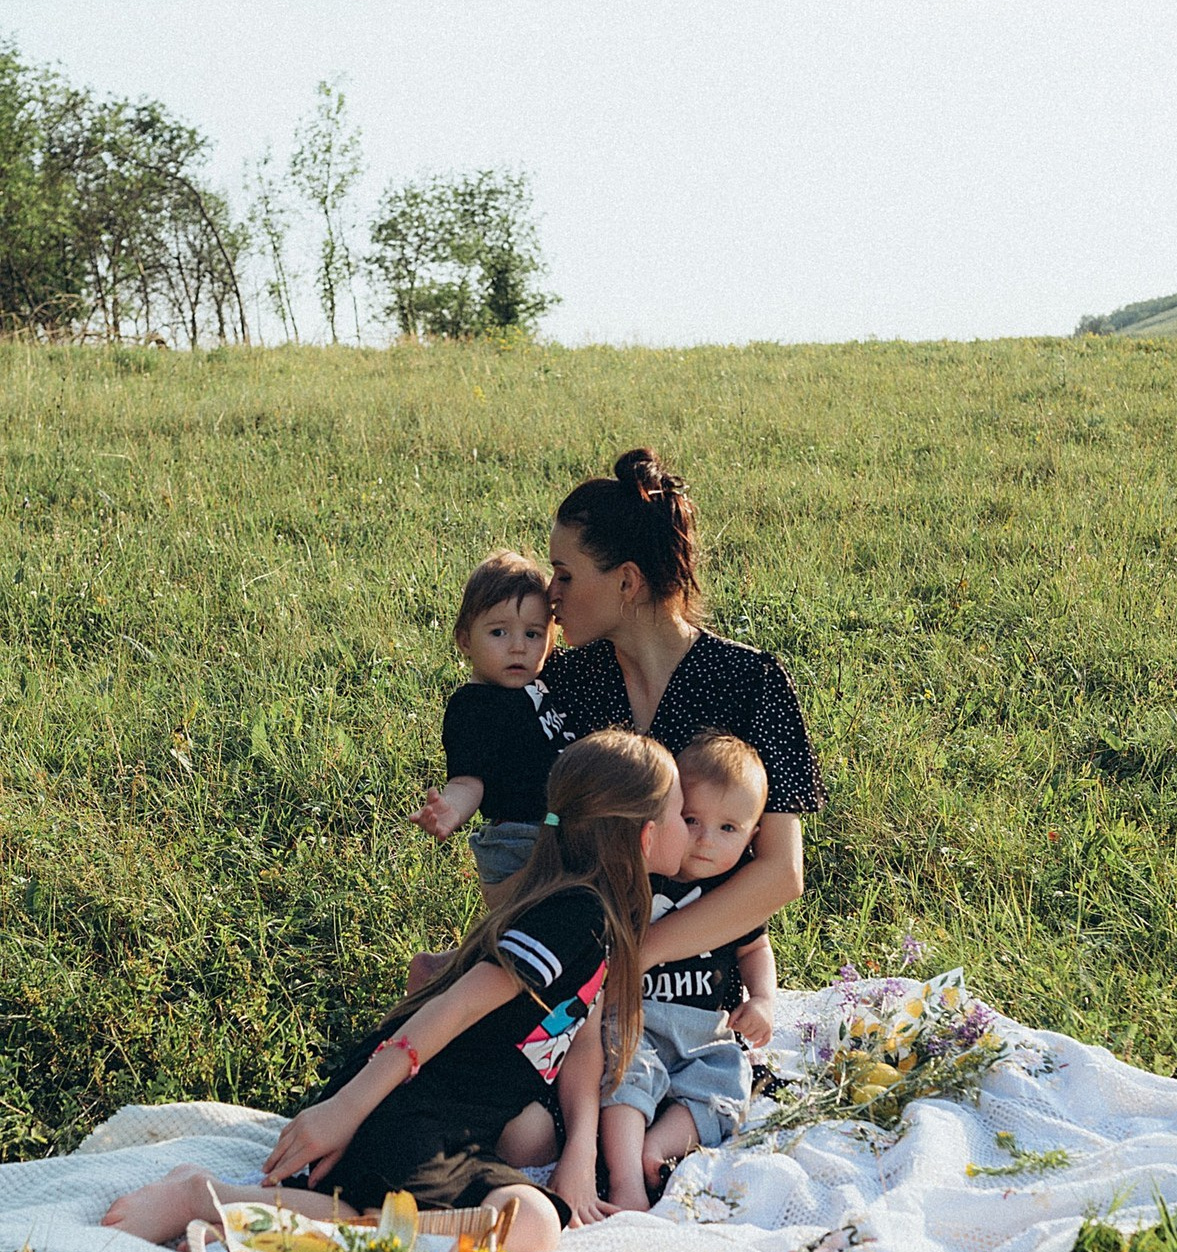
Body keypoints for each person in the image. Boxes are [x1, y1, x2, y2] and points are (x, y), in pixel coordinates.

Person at [100, 731, 690, 1252]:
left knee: (392, 1213)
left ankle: (208, 1202)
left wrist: (579, 1161)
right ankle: (212, 1206)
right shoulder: (573, 916)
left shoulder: (599, 920)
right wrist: (345, 1110)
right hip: (403, 1107)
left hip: (442, 1122)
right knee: (530, 1223)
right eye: (684, 816)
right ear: (645, 837)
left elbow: (580, 1039)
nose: (692, 833)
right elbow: (456, 1003)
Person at [542, 448, 825, 975]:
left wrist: (639, 955)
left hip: (698, 972)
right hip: (574, 952)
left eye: (564, 575)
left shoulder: (752, 683)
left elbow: (781, 873)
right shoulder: (562, 682)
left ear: (627, 582)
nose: (549, 593)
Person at [601, 732, 776, 1210]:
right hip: (639, 1018)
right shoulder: (642, 871)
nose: (704, 841)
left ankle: (657, 1148)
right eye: (692, 819)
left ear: (754, 835)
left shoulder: (735, 887)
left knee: (725, 1082)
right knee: (623, 1072)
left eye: (728, 829)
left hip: (707, 1031)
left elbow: (755, 950)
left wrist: (762, 1000)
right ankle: (625, 1182)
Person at [409, 551, 575, 901]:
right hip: (519, 838)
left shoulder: (550, 676)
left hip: (563, 826)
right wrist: (452, 808)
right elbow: (469, 780)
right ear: (466, 640)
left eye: (533, 634)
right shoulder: (474, 706)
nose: (518, 647)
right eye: (499, 632)